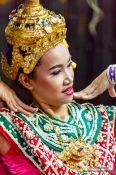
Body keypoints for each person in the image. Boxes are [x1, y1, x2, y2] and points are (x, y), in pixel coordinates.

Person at [0, 0, 115, 174]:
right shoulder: (15, 130)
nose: (68, 78)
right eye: (56, 72)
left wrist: (113, 73)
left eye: (69, 65)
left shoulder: (104, 119)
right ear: (26, 81)